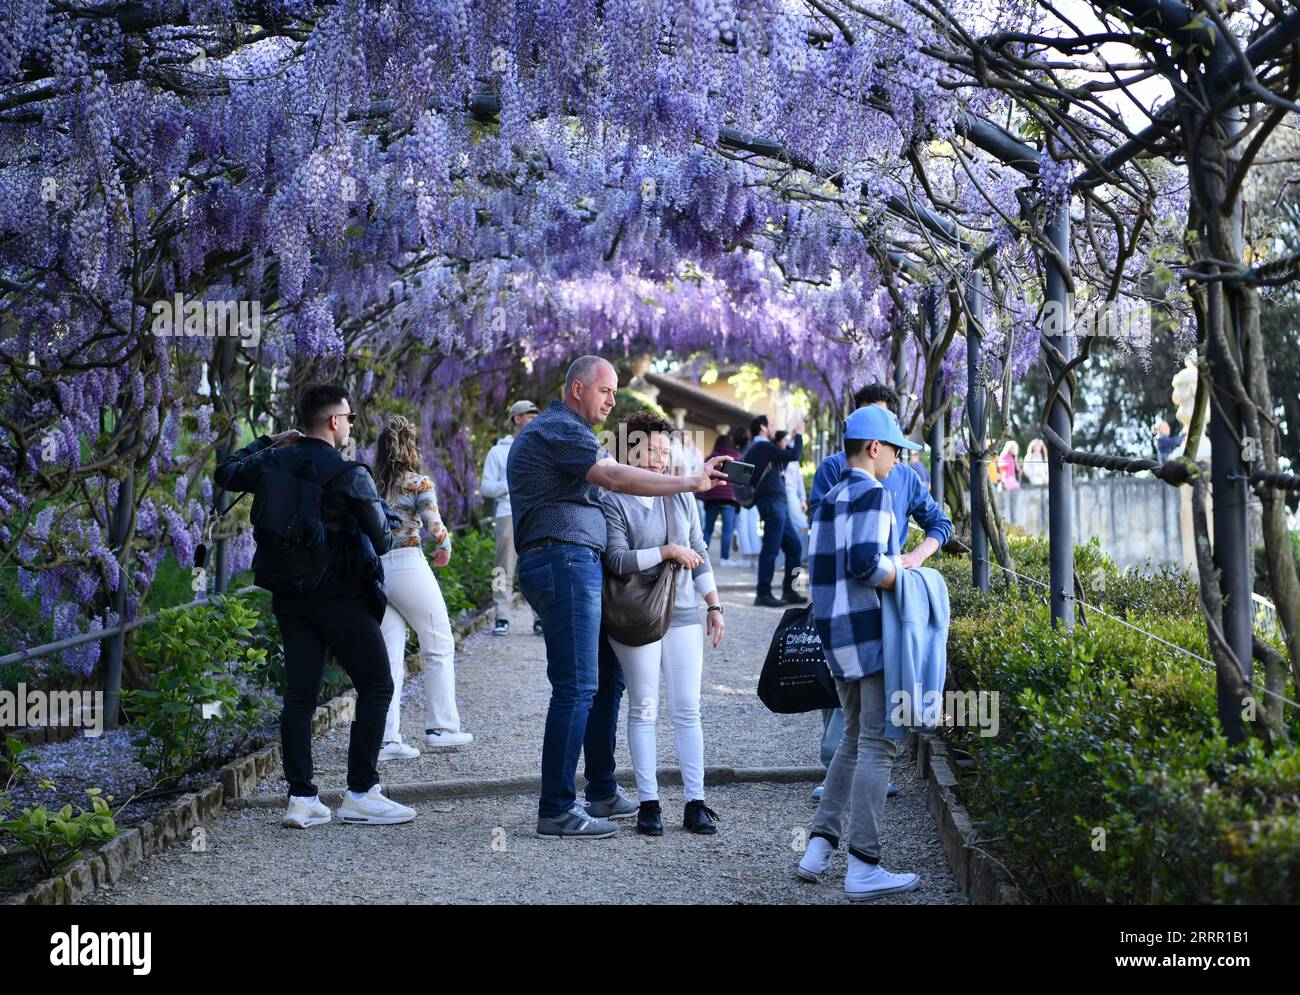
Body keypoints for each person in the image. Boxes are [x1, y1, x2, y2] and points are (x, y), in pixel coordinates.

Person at [507, 356, 726, 840]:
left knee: (602, 683)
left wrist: (712, 601)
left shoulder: (566, 430)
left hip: (572, 563)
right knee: (578, 686)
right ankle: (557, 809)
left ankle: (601, 790)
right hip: (563, 561)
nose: (611, 399)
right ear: (577, 388)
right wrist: (691, 480)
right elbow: (617, 479)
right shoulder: (561, 428)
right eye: (606, 391)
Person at [215, 384, 416, 829]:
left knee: (300, 696)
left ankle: (302, 799)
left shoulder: (271, 461)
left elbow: (226, 473)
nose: (350, 425)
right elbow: (382, 539)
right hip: (340, 597)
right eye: (349, 418)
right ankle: (362, 793)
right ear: (333, 421)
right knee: (378, 685)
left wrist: (268, 441)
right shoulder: (352, 473)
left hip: (289, 597)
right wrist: (379, 512)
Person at [796, 404, 921, 901]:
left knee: (851, 739)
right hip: (870, 636)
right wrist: (908, 577)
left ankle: (819, 848)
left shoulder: (828, 498)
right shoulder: (875, 493)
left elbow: (822, 573)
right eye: (893, 450)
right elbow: (867, 562)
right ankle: (864, 865)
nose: (896, 460)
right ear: (874, 448)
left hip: (836, 637)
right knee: (881, 744)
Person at [808, 383, 953, 802]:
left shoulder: (902, 477)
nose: (896, 451)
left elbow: (939, 524)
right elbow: (854, 558)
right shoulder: (845, 478)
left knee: (860, 726)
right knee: (867, 730)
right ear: (872, 444)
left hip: (878, 602)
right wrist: (911, 582)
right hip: (856, 601)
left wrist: (917, 558)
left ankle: (825, 840)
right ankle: (862, 854)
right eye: (890, 441)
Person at [602, 412, 725, 836]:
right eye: (649, 450)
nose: (658, 459)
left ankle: (696, 802)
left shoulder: (680, 495)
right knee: (644, 707)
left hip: (686, 610)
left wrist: (714, 604)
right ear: (627, 450)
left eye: (663, 451)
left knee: (687, 708)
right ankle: (649, 803)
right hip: (636, 613)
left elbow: (699, 550)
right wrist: (665, 551)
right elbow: (616, 560)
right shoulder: (613, 498)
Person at [373, 415, 472, 762]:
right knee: (439, 641)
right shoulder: (418, 483)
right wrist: (445, 545)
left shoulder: (371, 484)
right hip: (407, 564)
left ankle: (386, 740)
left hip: (377, 569)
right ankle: (442, 728)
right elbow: (433, 524)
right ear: (411, 447)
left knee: (389, 655)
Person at [481, 400, 542, 636]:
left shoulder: (540, 448)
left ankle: (539, 618)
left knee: (536, 568)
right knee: (502, 569)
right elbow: (485, 487)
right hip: (507, 514)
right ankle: (502, 617)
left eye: (537, 415)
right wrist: (510, 485)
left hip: (535, 515)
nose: (535, 419)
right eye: (530, 415)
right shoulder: (498, 451)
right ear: (517, 419)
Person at [743, 414, 806, 607]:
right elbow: (794, 456)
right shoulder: (761, 446)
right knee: (770, 547)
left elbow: (783, 464)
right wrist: (799, 436)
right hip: (771, 502)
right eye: (771, 424)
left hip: (776, 502)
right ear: (762, 427)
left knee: (794, 547)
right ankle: (763, 593)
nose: (773, 427)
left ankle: (790, 591)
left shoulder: (761, 449)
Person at [699, 432, 742, 562]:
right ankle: (725, 559)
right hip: (729, 498)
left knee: (708, 529)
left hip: (712, 497)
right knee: (727, 530)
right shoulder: (737, 457)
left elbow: (702, 477)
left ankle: (701, 557)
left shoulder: (710, 458)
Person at [775, 430, 810, 562]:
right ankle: (794, 559)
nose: (788, 442)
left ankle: (800, 557)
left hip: (793, 494)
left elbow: (799, 480)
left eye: (789, 439)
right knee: (792, 526)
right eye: (785, 439)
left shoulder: (793, 458)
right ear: (778, 441)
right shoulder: (777, 456)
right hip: (783, 494)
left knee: (800, 526)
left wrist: (802, 499)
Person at [731, 427, 760, 562]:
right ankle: (756, 552)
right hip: (755, 491)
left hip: (741, 493)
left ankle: (747, 553)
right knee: (753, 523)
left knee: (741, 522)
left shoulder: (736, 454)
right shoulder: (755, 449)